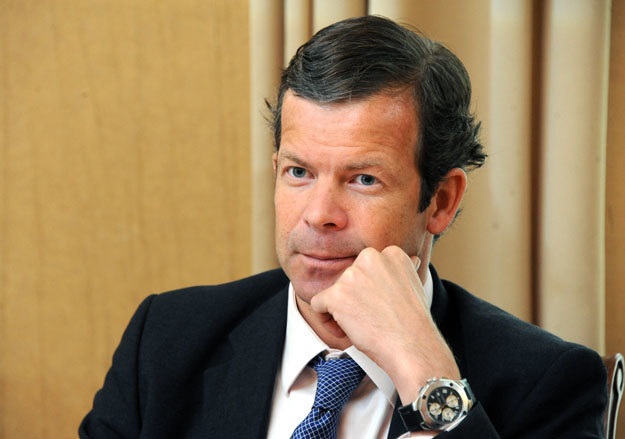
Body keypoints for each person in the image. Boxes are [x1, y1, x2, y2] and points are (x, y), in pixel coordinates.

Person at [79, 15, 607, 439]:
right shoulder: (165, 341)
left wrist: (426, 373)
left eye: (363, 179)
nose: (318, 214)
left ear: (440, 201)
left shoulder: (547, 382)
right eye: (299, 173)